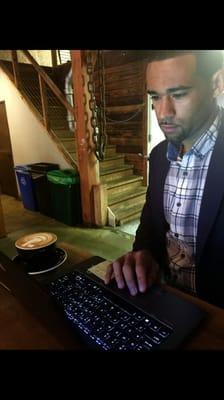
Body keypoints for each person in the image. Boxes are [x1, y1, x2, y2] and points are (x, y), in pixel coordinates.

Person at [104, 50, 224, 308]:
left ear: (216, 84)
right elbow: (150, 224)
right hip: (164, 305)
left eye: (178, 95)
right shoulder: (159, 156)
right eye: (155, 97)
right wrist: (142, 256)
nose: (163, 113)